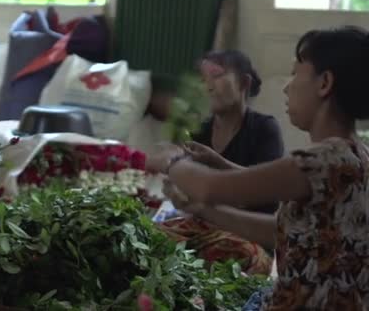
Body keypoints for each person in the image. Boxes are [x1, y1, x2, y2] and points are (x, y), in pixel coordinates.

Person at [153, 26, 369, 309]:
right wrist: (201, 208)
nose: (286, 86)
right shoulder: (357, 154)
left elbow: (210, 187)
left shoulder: (322, 161)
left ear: (324, 83)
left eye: (295, 73)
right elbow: (281, 230)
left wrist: (171, 160)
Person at [157, 50, 284, 274]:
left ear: (244, 82)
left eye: (216, 76)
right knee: (152, 239)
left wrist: (217, 161)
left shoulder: (264, 129)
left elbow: (269, 193)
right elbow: (191, 192)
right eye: (204, 78)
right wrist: (176, 187)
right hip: (203, 228)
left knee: (236, 257)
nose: (208, 86)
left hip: (246, 235)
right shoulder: (200, 132)